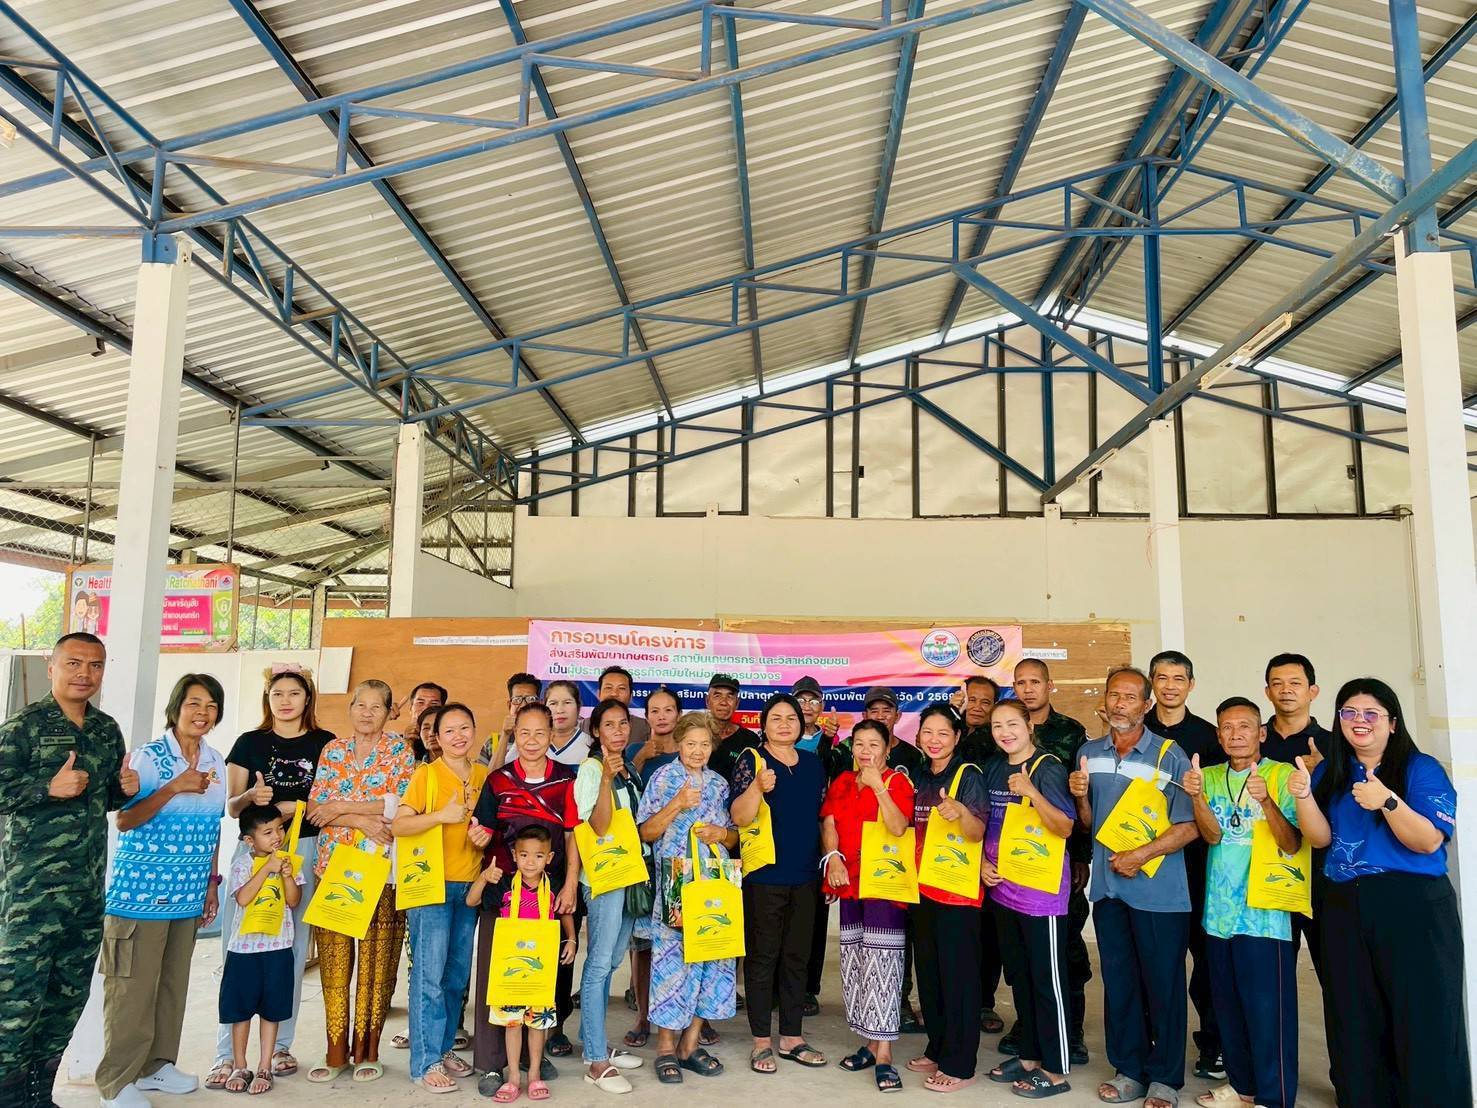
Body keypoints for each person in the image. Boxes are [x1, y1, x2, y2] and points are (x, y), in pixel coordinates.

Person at [1289, 677, 1468, 1107]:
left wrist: (1387, 801)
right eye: (1349, 712)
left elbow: (1428, 841)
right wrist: (1304, 796)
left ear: (1392, 722)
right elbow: (1320, 839)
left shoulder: (1419, 768)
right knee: (1354, 1016)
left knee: (1423, 1015)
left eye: (1371, 713)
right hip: (1344, 904)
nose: (1359, 720)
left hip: (1412, 905)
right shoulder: (1332, 770)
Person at [0, 633, 137, 1108]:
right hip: (32, 895)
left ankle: (40, 1094)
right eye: (74, 663)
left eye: (95, 665)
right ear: (52, 666)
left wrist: (125, 789)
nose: (85, 674)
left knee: (66, 999)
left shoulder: (105, 729)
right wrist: (46, 788)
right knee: (16, 1001)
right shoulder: (24, 726)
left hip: (85, 891)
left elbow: (107, 799)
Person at [97, 674, 229, 1108]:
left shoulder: (215, 761)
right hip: (140, 897)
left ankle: (157, 1066)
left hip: (187, 896)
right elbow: (125, 820)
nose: (202, 713)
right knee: (132, 990)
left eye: (211, 705)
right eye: (194, 703)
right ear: (176, 708)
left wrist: (210, 884)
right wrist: (174, 787)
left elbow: (212, 829)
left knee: (172, 986)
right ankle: (116, 1083)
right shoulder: (150, 758)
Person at [1070, 666, 1197, 1108]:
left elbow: (1189, 825)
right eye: (1114, 695)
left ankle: (1165, 1079)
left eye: (1130, 697)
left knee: (1163, 986)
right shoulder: (1089, 753)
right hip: (1109, 890)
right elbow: (1089, 824)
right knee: (1120, 983)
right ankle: (1128, 1069)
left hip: (1158, 894)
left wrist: (1140, 855)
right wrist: (1081, 796)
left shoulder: (1170, 755)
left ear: (1147, 704)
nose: (1120, 704)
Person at [209, 667, 334, 1088]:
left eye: (294, 693)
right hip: (253, 852)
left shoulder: (325, 743)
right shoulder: (250, 742)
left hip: (304, 849)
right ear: (268, 698)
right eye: (277, 693)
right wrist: (250, 797)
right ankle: (227, 1054)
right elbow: (231, 806)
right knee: (237, 948)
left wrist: (296, 808)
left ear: (307, 698)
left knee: (291, 949)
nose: (285, 701)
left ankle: (280, 1046)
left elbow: (332, 802)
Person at [1181, 697, 1300, 1108]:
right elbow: (1212, 835)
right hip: (1220, 913)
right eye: (1227, 728)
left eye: (1245, 726)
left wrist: (1266, 800)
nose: (1236, 735)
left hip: (1266, 914)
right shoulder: (1210, 776)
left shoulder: (1282, 775)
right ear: (1218, 735)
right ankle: (1242, 1087)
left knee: (1268, 1012)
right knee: (1227, 1007)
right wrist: (1196, 797)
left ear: (1261, 733)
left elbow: (1292, 843)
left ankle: (1274, 1096)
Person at [304, 680, 416, 1083]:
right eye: (360, 705)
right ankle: (335, 1051)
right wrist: (358, 818)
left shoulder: (400, 752)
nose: (367, 713)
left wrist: (340, 807)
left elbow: (396, 804)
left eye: (376, 707)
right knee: (335, 964)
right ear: (350, 708)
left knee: (376, 964)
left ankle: (368, 1050)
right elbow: (315, 807)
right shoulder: (332, 750)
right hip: (333, 867)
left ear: (389, 713)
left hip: (380, 868)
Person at [468, 703, 580, 1096]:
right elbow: (480, 831)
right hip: (502, 895)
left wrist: (570, 883)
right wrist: (477, 837)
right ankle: (491, 1064)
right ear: (514, 734)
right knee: (496, 979)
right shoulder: (498, 780)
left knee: (537, 979)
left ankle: (533, 1061)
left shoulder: (566, 779)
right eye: (524, 733)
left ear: (552, 735)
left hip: (546, 895)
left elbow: (573, 835)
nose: (532, 741)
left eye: (540, 733)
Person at [979, 700, 1076, 1098]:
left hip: (1041, 895)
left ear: (1029, 726)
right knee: (1020, 977)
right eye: (997, 726)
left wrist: (1032, 791)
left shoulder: (1048, 767)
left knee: (1047, 981)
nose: (1005, 732)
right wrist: (983, 863)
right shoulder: (994, 767)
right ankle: (1030, 1057)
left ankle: (1055, 1069)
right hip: (1005, 890)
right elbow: (986, 821)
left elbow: (1065, 826)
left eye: (1012, 724)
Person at [636, 713, 737, 1086]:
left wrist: (721, 833)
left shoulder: (720, 784)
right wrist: (677, 803)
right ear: (678, 743)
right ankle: (665, 1047)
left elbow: (734, 836)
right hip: (677, 880)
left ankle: (689, 1045)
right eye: (691, 744)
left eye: (705, 744)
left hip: (716, 879)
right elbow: (646, 832)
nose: (698, 751)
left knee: (712, 958)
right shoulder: (663, 778)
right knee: (672, 964)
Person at [392, 703, 489, 1093]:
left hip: (470, 887)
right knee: (429, 976)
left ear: (474, 730)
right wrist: (439, 816)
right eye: (449, 730)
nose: (458, 736)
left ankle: (445, 1046)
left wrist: (483, 836)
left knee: (455, 978)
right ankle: (425, 1061)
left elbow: (489, 827)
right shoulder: (427, 775)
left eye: (464, 728)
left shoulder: (483, 776)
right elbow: (400, 825)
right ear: (437, 737)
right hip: (431, 885)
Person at [730, 693, 828, 1075]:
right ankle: (761, 1042)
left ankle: (791, 1037)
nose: (785, 724)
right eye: (776, 718)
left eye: (791, 718)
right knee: (763, 957)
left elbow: (820, 818)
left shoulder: (813, 764)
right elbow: (739, 817)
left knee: (797, 957)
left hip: (805, 875)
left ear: (801, 725)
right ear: (763, 724)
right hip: (765, 875)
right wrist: (757, 787)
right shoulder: (752, 760)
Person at [819, 719, 914, 1094]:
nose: (865, 751)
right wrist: (833, 858)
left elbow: (898, 826)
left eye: (874, 744)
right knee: (856, 964)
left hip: (884, 887)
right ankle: (869, 1043)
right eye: (859, 743)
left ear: (887, 748)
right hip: (849, 883)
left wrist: (878, 787)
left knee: (884, 966)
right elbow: (829, 822)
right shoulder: (843, 781)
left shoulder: (897, 782)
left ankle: (885, 1053)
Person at [1006, 659, 1090, 1065]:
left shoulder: (1070, 733)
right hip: (1014, 862)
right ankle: (1029, 1030)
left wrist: (1081, 856)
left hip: (1058, 859)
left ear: (1049, 685)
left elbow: (1081, 797)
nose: (1028, 689)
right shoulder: (1000, 736)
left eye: (1034, 682)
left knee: (1065, 951)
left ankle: (1070, 1033)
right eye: (1020, 682)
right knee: (1022, 957)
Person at [1147, 650, 1225, 1083]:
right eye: (1162, 677)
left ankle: (1213, 1046)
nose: (1170, 686)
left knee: (1207, 962)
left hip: (1196, 865)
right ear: (1152, 683)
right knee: (1156, 962)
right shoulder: (1137, 731)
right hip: (1146, 866)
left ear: (1191, 685)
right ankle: (1155, 1042)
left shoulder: (1208, 738)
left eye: (1179, 679)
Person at [906, 702, 988, 1093]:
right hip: (923, 889)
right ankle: (937, 1047)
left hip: (958, 894)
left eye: (943, 733)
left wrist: (961, 813)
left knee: (959, 979)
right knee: (931, 976)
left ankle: (960, 1064)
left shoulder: (967, 775)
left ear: (957, 737)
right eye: (928, 732)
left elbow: (977, 832)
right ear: (918, 737)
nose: (934, 740)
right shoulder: (922, 774)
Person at [574, 699, 648, 1095]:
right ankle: (596, 1061)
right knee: (600, 963)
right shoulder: (592, 768)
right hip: (604, 878)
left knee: (613, 961)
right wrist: (605, 778)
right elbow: (599, 826)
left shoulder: (629, 768)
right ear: (596, 731)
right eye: (609, 725)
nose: (618, 731)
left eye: (623, 724)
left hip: (630, 873)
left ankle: (596, 1040)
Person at [481, 826, 578, 1104]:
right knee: (512, 1024)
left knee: (537, 1024)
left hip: (540, 970)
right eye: (524, 855)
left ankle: (534, 1073)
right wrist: (483, 877)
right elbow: (472, 900)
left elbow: (564, 912)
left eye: (538, 856)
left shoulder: (553, 886)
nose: (531, 862)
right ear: (514, 855)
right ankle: (513, 1076)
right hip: (510, 970)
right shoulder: (505, 886)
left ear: (549, 858)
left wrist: (571, 939)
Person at [219, 804, 307, 1095]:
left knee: (272, 1010)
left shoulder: (289, 861)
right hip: (243, 950)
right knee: (240, 1010)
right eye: (267, 832)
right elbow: (243, 898)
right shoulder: (242, 864)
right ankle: (240, 1065)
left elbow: (293, 900)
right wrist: (267, 868)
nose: (277, 836)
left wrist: (286, 874)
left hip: (278, 946)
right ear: (249, 840)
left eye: (280, 828)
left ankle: (265, 1066)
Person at [1261, 653, 1331, 974]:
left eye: (1295, 683)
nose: (1285, 690)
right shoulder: (1255, 740)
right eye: (1277, 683)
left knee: (1334, 970)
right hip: (1268, 872)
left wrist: (1323, 772)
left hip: (1320, 872)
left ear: (1312, 691)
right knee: (1273, 973)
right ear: (1267, 692)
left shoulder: (1332, 745)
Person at [792, 675, 838, 1017]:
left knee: (815, 919)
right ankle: (780, 987)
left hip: (819, 840)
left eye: (813, 700)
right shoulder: (776, 738)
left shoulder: (833, 745)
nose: (807, 706)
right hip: (781, 841)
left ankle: (809, 989)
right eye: (801, 700)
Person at [479, 673, 541, 769]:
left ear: (540, 704)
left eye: (530, 699)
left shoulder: (548, 740)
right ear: (509, 705)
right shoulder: (492, 743)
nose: (523, 705)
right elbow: (486, 777)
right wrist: (505, 735)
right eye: (517, 699)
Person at [707, 674, 760, 780]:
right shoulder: (694, 735)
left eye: (730, 696)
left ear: (737, 703)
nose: (723, 702)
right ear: (707, 701)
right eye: (717, 696)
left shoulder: (750, 739)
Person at [592, 666, 651, 760]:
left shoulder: (645, 726)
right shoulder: (584, 724)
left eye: (621, 688)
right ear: (599, 694)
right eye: (608, 687)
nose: (614, 693)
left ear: (631, 696)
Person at [545, 681, 594, 766]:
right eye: (553, 703)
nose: (560, 710)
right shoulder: (534, 742)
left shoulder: (591, 745)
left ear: (578, 707)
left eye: (567, 702)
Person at [957, 676, 1000, 764]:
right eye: (971, 700)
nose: (977, 708)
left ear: (994, 706)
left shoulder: (998, 738)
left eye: (985, 702)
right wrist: (953, 711)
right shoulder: (953, 725)